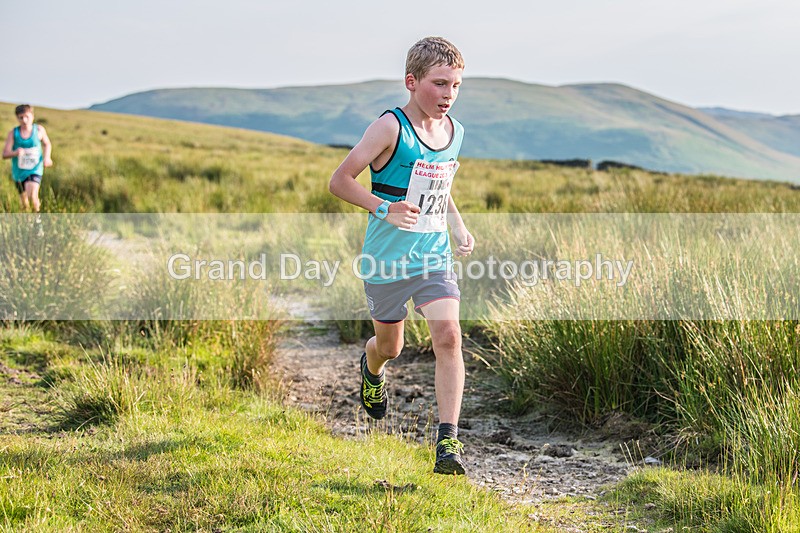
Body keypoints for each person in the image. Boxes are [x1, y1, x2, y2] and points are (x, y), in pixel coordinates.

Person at [329, 36, 475, 475]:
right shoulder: (390, 127)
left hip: (433, 255)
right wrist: (384, 208)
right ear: (412, 82)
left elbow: (441, 187)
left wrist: (458, 222)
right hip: (386, 260)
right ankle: (371, 369)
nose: (448, 95)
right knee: (390, 347)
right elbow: (340, 180)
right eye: (439, 84)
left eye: (455, 86)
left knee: (448, 336)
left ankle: (448, 444)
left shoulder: (455, 133)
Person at [3, 105, 53, 226]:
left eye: (27, 116)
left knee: (32, 194)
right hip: (19, 172)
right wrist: (15, 153)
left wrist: (47, 157)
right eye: (21, 118)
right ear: (17, 118)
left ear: (32, 116)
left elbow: (47, 144)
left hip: (35, 169)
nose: (24, 120)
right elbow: (5, 154)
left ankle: (38, 223)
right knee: (24, 203)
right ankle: (27, 226)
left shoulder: (39, 130)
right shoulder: (13, 133)